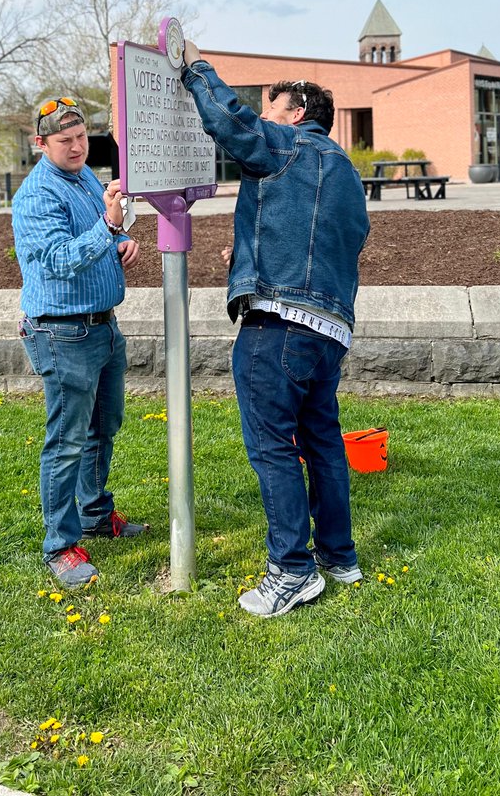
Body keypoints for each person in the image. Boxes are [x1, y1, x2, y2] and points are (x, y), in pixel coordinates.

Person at [181, 45, 370, 618]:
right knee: (323, 443)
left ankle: (291, 570)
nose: (264, 118)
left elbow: (231, 124)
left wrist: (196, 69)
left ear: (295, 113)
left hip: (277, 327)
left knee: (272, 449)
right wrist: (250, 255)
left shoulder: (285, 145)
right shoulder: (346, 171)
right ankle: (340, 557)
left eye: (272, 109)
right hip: (329, 332)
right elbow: (325, 243)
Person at [12, 96, 147, 587]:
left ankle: (95, 514)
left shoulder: (86, 177)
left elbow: (94, 236)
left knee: (103, 428)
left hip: (103, 326)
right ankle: (60, 546)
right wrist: (109, 226)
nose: (76, 147)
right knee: (67, 442)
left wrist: (119, 241)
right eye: (64, 141)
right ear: (40, 143)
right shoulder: (36, 195)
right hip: (62, 332)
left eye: (81, 137)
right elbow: (56, 259)